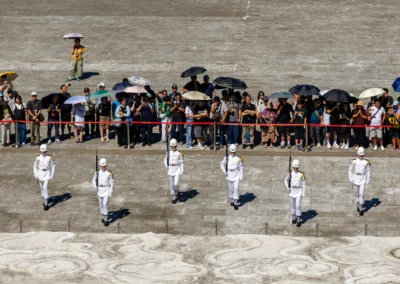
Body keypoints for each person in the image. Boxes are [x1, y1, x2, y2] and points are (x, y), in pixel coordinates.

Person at [220, 144, 244, 210]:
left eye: (233, 152)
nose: (232, 153)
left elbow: (241, 167)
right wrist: (224, 171)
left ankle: (236, 203)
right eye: (231, 151)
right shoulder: (227, 157)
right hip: (229, 175)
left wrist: (241, 176)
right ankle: (232, 200)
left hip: (236, 175)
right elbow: (222, 164)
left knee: (236, 188)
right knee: (231, 189)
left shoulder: (239, 158)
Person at [348, 147, 371, 216]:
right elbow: (350, 169)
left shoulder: (366, 161)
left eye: (362, 155)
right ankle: (358, 204)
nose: (361, 156)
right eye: (360, 155)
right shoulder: (354, 161)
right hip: (355, 179)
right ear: (358, 154)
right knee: (356, 194)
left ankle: (361, 209)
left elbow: (368, 171)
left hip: (362, 179)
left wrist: (368, 179)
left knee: (361, 194)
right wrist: (350, 177)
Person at [33, 144, 55, 211]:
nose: (43, 152)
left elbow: (53, 166)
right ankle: (44, 200)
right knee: (42, 188)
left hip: (47, 174)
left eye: (44, 151)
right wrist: (35, 174)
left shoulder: (50, 157)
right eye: (42, 151)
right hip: (40, 174)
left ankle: (46, 204)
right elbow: (35, 166)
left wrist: (52, 174)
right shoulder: (37, 158)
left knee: (45, 188)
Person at [92, 158, 114, 227]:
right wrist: (95, 185)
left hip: (106, 190)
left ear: (106, 166)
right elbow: (93, 179)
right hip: (100, 191)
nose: (102, 167)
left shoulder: (109, 173)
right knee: (101, 205)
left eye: (104, 166)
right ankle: (103, 217)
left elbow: (112, 182)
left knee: (105, 205)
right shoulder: (97, 172)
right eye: (101, 166)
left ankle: (106, 220)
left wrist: (110, 191)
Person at [284, 159, 306, 227]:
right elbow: (285, 180)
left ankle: (298, 219)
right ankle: (294, 217)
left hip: (298, 191)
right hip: (292, 191)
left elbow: (304, 183)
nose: (296, 168)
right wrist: (288, 187)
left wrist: (303, 192)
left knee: (298, 206)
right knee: (292, 205)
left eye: (297, 167)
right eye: (294, 167)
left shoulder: (302, 173)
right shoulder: (290, 173)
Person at [164, 138, 184, 204]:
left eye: (174, 146)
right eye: (172, 146)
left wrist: (182, 170)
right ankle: (174, 196)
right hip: (170, 170)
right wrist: (166, 165)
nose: (173, 147)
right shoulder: (168, 152)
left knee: (176, 184)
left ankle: (177, 191)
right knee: (171, 185)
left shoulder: (179, 153)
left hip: (177, 169)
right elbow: (165, 159)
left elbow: (181, 162)